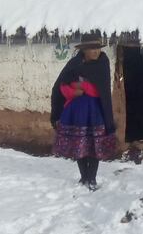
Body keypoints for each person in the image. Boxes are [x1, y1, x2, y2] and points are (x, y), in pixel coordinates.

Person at [50, 32, 116, 191]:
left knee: (94, 144)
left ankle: (92, 178)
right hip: (76, 112)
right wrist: (73, 91)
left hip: (95, 112)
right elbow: (61, 87)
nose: (96, 52)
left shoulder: (102, 64)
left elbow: (98, 91)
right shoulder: (74, 63)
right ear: (84, 50)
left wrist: (81, 86)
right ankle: (84, 177)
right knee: (79, 143)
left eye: (98, 48)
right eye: (92, 49)